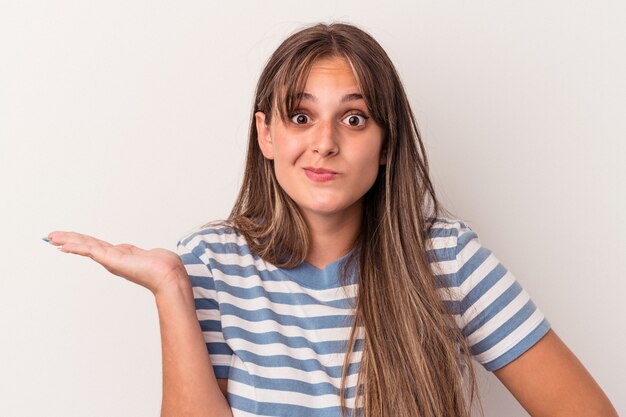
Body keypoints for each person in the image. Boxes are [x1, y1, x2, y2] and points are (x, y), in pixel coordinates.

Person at [44, 22, 618, 417]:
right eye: (300, 116)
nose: (323, 144)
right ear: (266, 134)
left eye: (354, 119)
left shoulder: (449, 258)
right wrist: (170, 287)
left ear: (386, 143)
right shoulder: (211, 264)